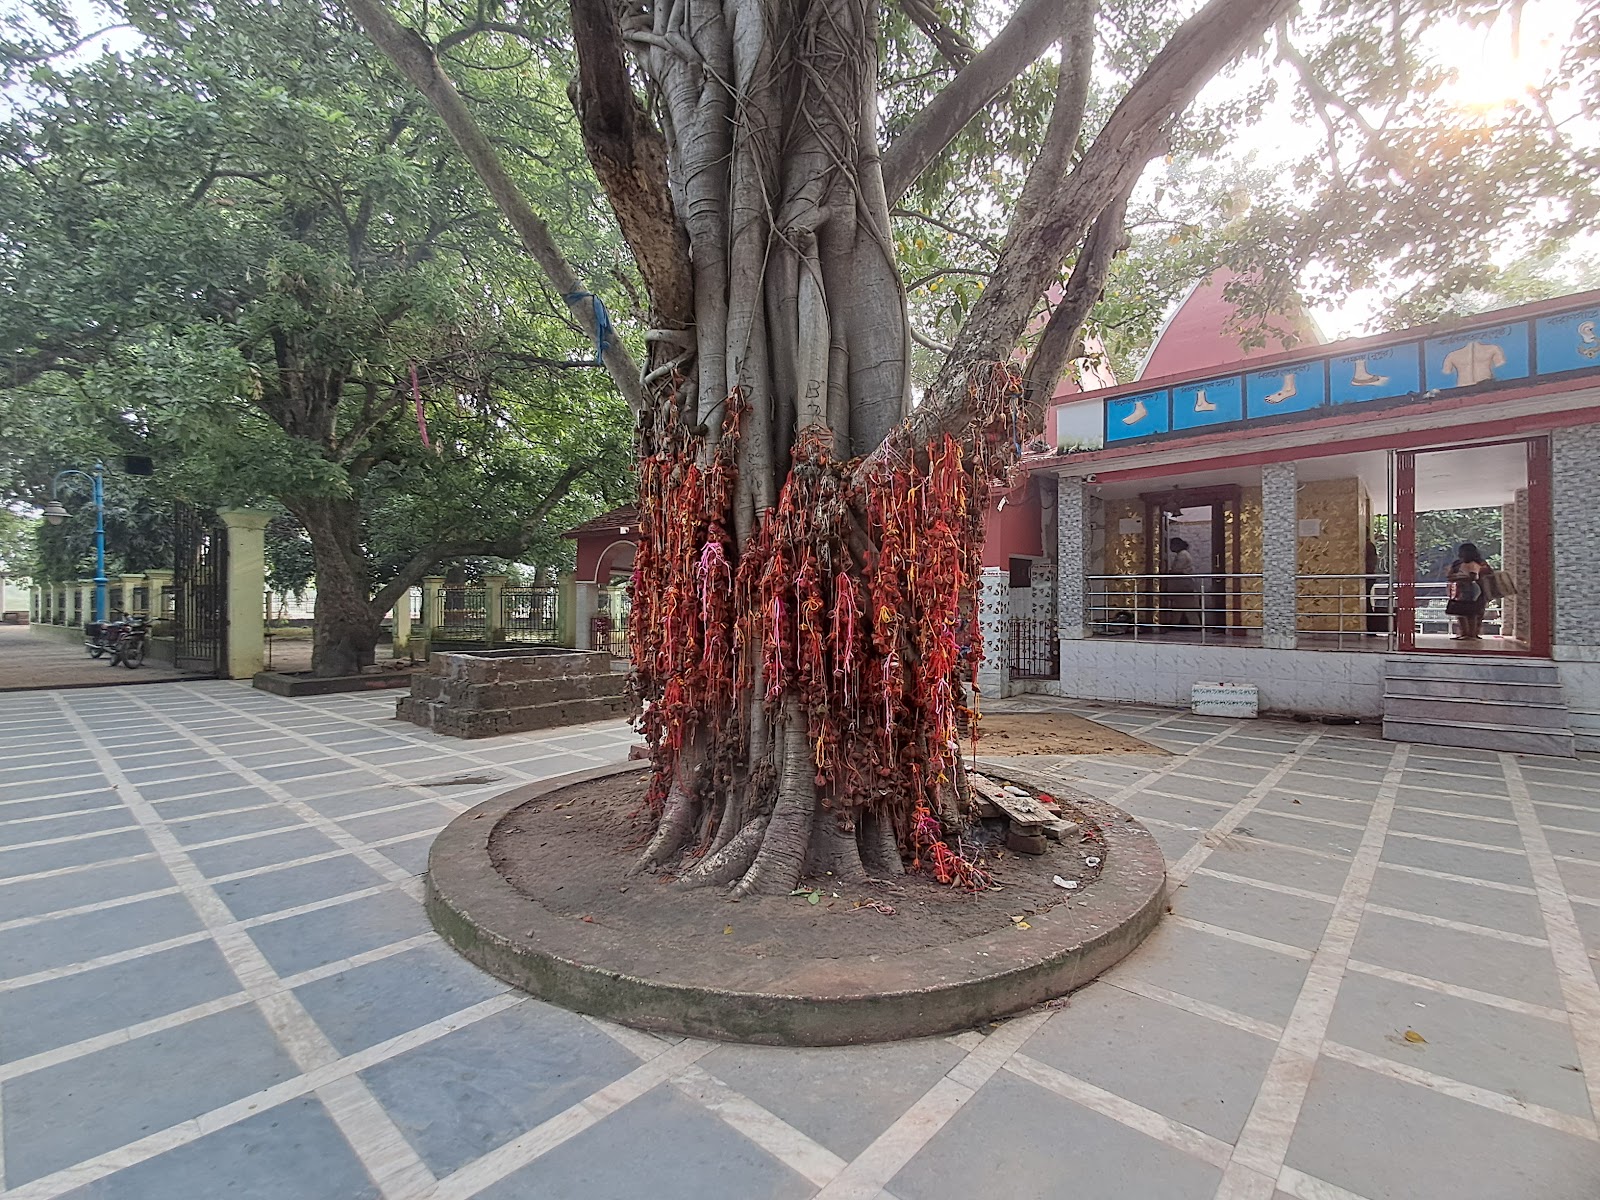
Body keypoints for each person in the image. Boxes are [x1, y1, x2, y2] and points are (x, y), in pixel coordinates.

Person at [1445, 541, 1490, 641]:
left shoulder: (1478, 564)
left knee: (1472, 612)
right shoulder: (1461, 563)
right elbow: (1450, 576)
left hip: (1476, 591)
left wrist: (1457, 577)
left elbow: (1474, 576)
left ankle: (1471, 633)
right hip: (1464, 590)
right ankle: (1466, 633)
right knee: (1463, 611)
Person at [1166, 536, 1200, 629]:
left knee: (1187, 606)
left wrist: (1168, 572)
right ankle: (1174, 624)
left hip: (1183, 584)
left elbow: (1177, 569)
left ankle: (1196, 625)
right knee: (1179, 606)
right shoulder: (1182, 554)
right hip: (1181, 584)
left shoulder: (1183, 555)